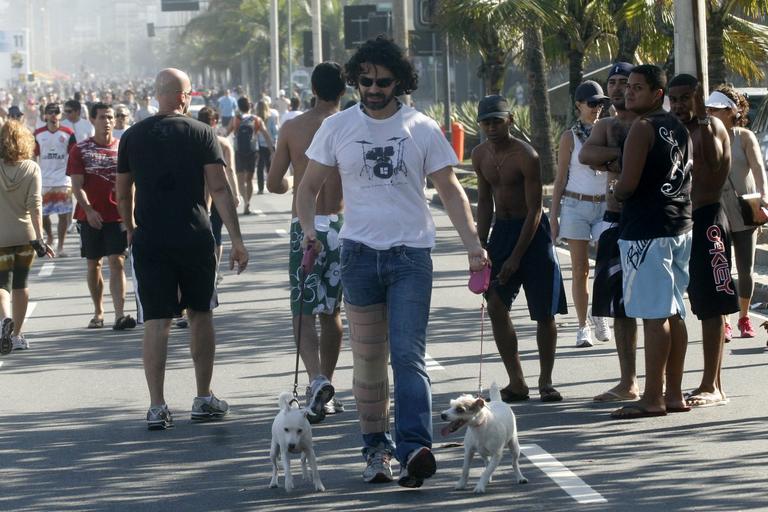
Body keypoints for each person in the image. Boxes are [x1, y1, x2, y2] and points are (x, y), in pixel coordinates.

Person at [297, 37, 486, 488]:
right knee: (367, 361)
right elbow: (306, 189)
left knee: (407, 356)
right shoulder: (337, 127)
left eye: (382, 81)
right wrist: (310, 232)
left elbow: (450, 191)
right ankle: (376, 452)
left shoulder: (420, 127)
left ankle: (414, 448)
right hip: (359, 255)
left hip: (410, 257)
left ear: (399, 80)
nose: (374, 88)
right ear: (355, 80)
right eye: (365, 80)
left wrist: (473, 245)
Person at [116, 68, 248, 431]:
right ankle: (203, 397)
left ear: (158, 95)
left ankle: (157, 406)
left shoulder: (132, 136)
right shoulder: (202, 133)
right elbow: (219, 190)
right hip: (195, 236)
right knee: (201, 314)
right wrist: (236, 240)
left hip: (151, 239)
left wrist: (130, 227)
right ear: (183, 96)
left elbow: (122, 192)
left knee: (156, 322)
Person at [473, 95, 567, 404]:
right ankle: (517, 382)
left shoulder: (527, 155)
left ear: (510, 120)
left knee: (544, 312)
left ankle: (547, 381)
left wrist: (515, 258)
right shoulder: (479, 155)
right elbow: (485, 201)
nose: (492, 127)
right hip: (502, 230)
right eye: (486, 122)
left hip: (532, 235)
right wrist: (480, 245)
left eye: (497, 121)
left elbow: (535, 210)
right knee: (496, 304)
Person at [611, 65, 693, 419]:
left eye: (638, 88)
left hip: (647, 228)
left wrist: (615, 190)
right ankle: (673, 393)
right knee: (674, 311)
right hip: (679, 224)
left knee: (653, 314)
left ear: (657, 94)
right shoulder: (677, 125)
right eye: (628, 87)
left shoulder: (642, 129)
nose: (629, 93)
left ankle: (652, 397)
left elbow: (627, 185)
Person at [267, 62, 347, 424]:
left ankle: (316, 380)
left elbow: (273, 183)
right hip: (345, 225)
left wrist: (291, 184)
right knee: (333, 312)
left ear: (312, 88)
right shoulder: (353, 125)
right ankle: (327, 387)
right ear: (344, 90)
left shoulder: (293, 127)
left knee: (302, 310)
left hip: (307, 226)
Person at [667, 75, 738, 407]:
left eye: (687, 98)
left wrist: (704, 120)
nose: (680, 105)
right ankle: (670, 384)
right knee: (672, 306)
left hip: (708, 221)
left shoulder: (713, 129)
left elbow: (711, 160)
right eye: (675, 99)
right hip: (676, 225)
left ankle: (714, 384)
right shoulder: (671, 131)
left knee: (712, 307)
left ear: (699, 99)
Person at [579, 62, 640, 402]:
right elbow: (588, 155)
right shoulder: (606, 124)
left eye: (624, 82)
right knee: (619, 306)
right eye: (612, 82)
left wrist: (614, 161)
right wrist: (624, 156)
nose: (618, 89)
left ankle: (667, 383)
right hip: (615, 220)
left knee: (662, 307)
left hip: (649, 222)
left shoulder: (650, 123)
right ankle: (628, 381)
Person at [550, 80, 610, 348]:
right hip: (575, 206)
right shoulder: (569, 136)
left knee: (606, 264)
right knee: (579, 268)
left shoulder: (609, 130)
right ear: (578, 105)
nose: (597, 108)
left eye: (600, 104)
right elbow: (560, 177)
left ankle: (600, 314)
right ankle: (582, 325)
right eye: (592, 103)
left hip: (604, 205)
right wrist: (553, 216)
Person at [67, 102, 136, 331]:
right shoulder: (80, 149)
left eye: (110, 117)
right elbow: (76, 185)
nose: (107, 121)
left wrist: (131, 218)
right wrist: (88, 209)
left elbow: (131, 186)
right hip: (91, 217)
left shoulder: (122, 147)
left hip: (117, 215)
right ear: (93, 120)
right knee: (93, 264)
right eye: (102, 117)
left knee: (117, 262)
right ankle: (98, 311)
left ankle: (119, 313)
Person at [706, 86, 768, 339]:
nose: (711, 113)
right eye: (709, 109)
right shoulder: (704, 136)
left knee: (745, 267)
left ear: (732, 112)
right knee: (720, 266)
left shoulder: (744, 136)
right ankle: (725, 320)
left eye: (717, 110)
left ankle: (744, 318)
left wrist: (764, 197)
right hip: (715, 208)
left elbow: (758, 169)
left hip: (744, 207)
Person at [0, 120, 54, 354]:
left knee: (2, 284)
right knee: (21, 285)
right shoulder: (32, 168)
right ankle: (18, 335)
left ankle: (4, 319)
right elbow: (36, 205)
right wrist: (40, 240)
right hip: (26, 236)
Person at [197, 106, 240, 282]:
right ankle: (214, 269)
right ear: (214, 121)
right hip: (221, 193)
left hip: (199, 192)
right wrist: (235, 194)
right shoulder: (223, 143)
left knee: (203, 231)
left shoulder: (195, 140)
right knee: (217, 231)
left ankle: (205, 267)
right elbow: (231, 171)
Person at [34, 103, 76, 256]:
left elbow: (73, 156)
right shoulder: (38, 133)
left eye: (56, 112)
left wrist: (73, 176)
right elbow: (34, 156)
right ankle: (50, 237)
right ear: (45, 115)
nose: (53, 115)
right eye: (49, 112)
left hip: (62, 180)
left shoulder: (68, 133)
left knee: (63, 214)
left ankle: (61, 246)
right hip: (44, 181)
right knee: (43, 215)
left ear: (60, 115)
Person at [229, 96, 273, 214]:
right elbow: (266, 135)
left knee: (240, 180)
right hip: (253, 152)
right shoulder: (256, 119)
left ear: (239, 106)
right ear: (250, 106)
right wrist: (272, 150)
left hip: (238, 152)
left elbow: (226, 132)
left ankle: (245, 201)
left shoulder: (236, 119)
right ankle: (248, 201)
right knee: (249, 179)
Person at [255, 99, 279, 195]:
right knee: (270, 167)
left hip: (259, 146)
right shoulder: (271, 117)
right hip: (270, 145)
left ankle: (260, 188)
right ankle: (271, 187)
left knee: (260, 167)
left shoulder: (256, 119)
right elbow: (275, 131)